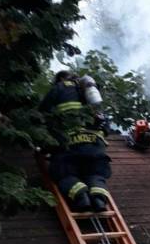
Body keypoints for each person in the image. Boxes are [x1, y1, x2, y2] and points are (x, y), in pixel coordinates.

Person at [39, 70, 112, 212]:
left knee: (64, 172)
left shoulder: (60, 87)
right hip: (95, 146)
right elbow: (105, 125)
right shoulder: (90, 92)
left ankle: (81, 198)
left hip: (69, 145)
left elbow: (42, 113)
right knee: (95, 174)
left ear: (60, 79)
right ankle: (98, 201)